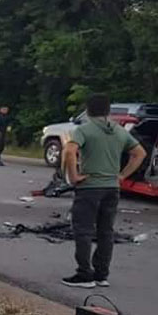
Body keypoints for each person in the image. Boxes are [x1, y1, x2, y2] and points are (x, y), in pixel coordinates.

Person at [62, 94, 146, 289]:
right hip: (112, 187)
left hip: (90, 186)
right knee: (105, 231)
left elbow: (68, 151)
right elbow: (139, 153)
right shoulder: (119, 131)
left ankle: (84, 274)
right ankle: (101, 274)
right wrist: (123, 175)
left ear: (89, 110)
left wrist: (74, 176)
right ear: (108, 110)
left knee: (83, 230)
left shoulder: (84, 130)